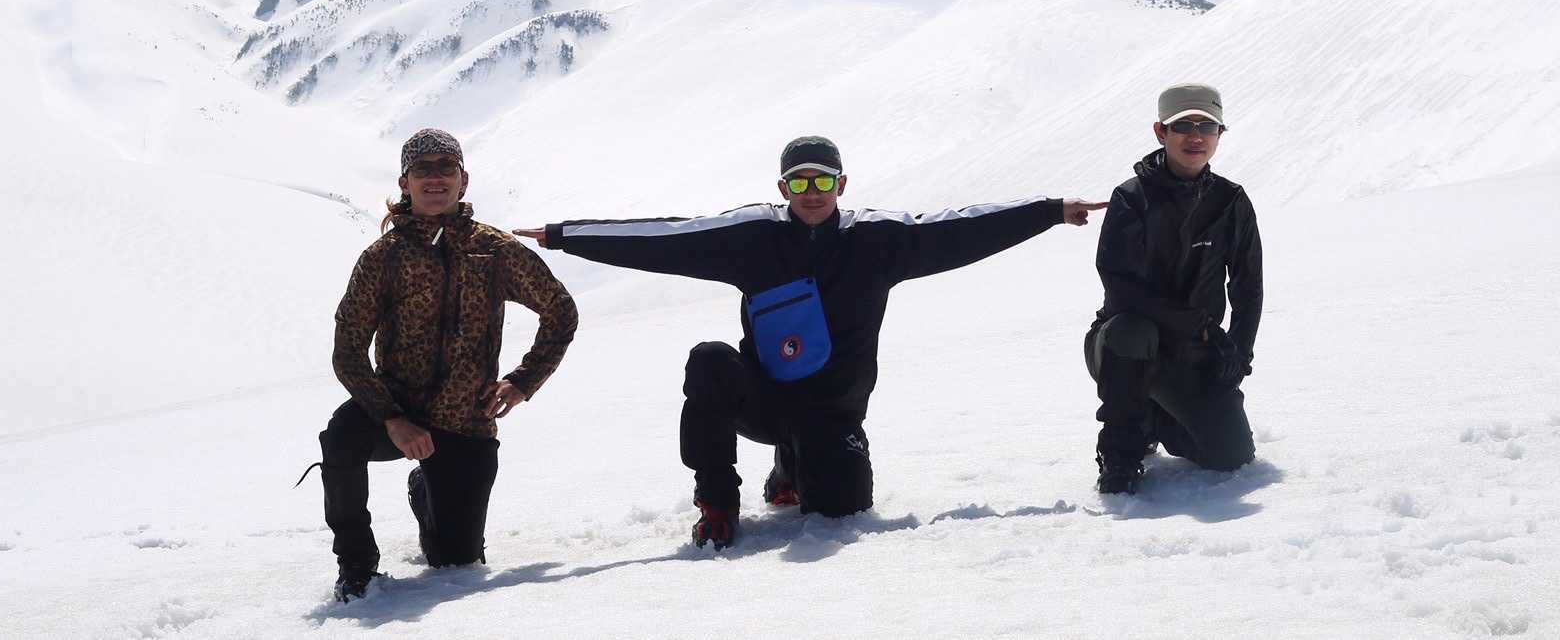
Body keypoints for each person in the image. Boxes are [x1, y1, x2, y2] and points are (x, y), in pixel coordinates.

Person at [515, 135, 1104, 549]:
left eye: (823, 180)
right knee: (710, 361)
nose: (813, 192)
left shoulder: (877, 241)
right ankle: (717, 505)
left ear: (841, 183)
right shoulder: (752, 236)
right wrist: (566, 236)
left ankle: (794, 468)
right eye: (800, 182)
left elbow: (962, 227)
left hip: (833, 410)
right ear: (783, 186)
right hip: (765, 400)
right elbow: (667, 237)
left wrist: (1050, 211)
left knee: (840, 509)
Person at [317, 129, 579, 602]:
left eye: (446, 168)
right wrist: (392, 419)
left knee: (456, 563)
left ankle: (426, 491)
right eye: (423, 169)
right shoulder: (383, 258)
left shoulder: (494, 251)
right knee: (341, 435)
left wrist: (523, 381)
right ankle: (356, 567)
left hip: (466, 423)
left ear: (463, 179)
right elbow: (348, 352)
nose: (435, 178)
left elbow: (560, 310)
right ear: (405, 183)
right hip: (397, 410)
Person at [1087, 84, 1263, 495]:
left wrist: (1239, 354)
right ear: (1161, 132)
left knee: (1231, 456)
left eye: (1207, 126)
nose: (1196, 136)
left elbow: (1248, 287)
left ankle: (1154, 415)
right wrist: (1194, 325)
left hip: (1196, 352)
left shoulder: (1231, 201)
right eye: (1183, 125)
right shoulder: (1131, 198)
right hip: (1122, 347)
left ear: (1220, 134)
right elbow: (1121, 288)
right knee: (1133, 330)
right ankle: (1120, 454)